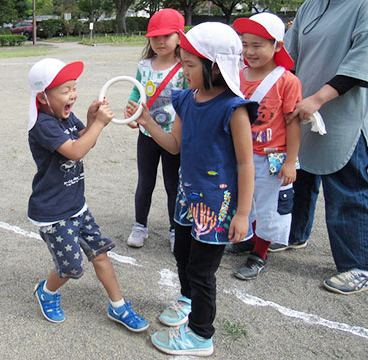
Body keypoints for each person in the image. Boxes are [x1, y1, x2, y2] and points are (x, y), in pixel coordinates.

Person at [127, 22, 258, 356]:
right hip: (188, 198)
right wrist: (147, 121)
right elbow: (173, 146)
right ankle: (187, 300)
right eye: (181, 63)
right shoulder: (186, 99)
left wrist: (242, 214)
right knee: (182, 256)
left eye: (188, 65)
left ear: (214, 67)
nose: (182, 71)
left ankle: (201, 335)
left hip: (216, 205)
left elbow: (246, 164)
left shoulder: (234, 109)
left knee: (202, 270)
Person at [27, 58, 149, 331]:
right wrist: (99, 125)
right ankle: (47, 292)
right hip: (54, 213)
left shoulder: (65, 116)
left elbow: (82, 139)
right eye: (65, 90)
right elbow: (75, 151)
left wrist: (92, 120)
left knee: (100, 254)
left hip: (77, 207)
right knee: (70, 266)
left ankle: (118, 306)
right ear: (42, 97)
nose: (73, 94)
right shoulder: (44, 125)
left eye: (74, 87)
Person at [282, 0, 368, 294]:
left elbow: (361, 62)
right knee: (301, 174)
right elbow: (288, 55)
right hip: (302, 107)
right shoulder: (310, 6)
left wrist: (317, 99)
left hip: (342, 111)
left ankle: (359, 265)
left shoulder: (362, 6)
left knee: (347, 188)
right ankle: (295, 234)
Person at [226, 13, 302, 280]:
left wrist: (291, 161)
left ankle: (260, 253)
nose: (249, 51)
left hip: (273, 157)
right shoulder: (237, 76)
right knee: (245, 201)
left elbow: (293, 124)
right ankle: (247, 238)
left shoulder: (287, 81)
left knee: (269, 207)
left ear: (278, 46)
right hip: (240, 154)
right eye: (245, 44)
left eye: (257, 45)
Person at [125, 8, 186, 251]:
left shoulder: (184, 66)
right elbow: (136, 92)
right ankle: (140, 225)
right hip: (147, 136)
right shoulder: (144, 65)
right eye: (155, 36)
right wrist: (130, 113)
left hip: (173, 138)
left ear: (180, 37)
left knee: (174, 185)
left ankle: (175, 229)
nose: (160, 41)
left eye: (167, 36)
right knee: (145, 183)